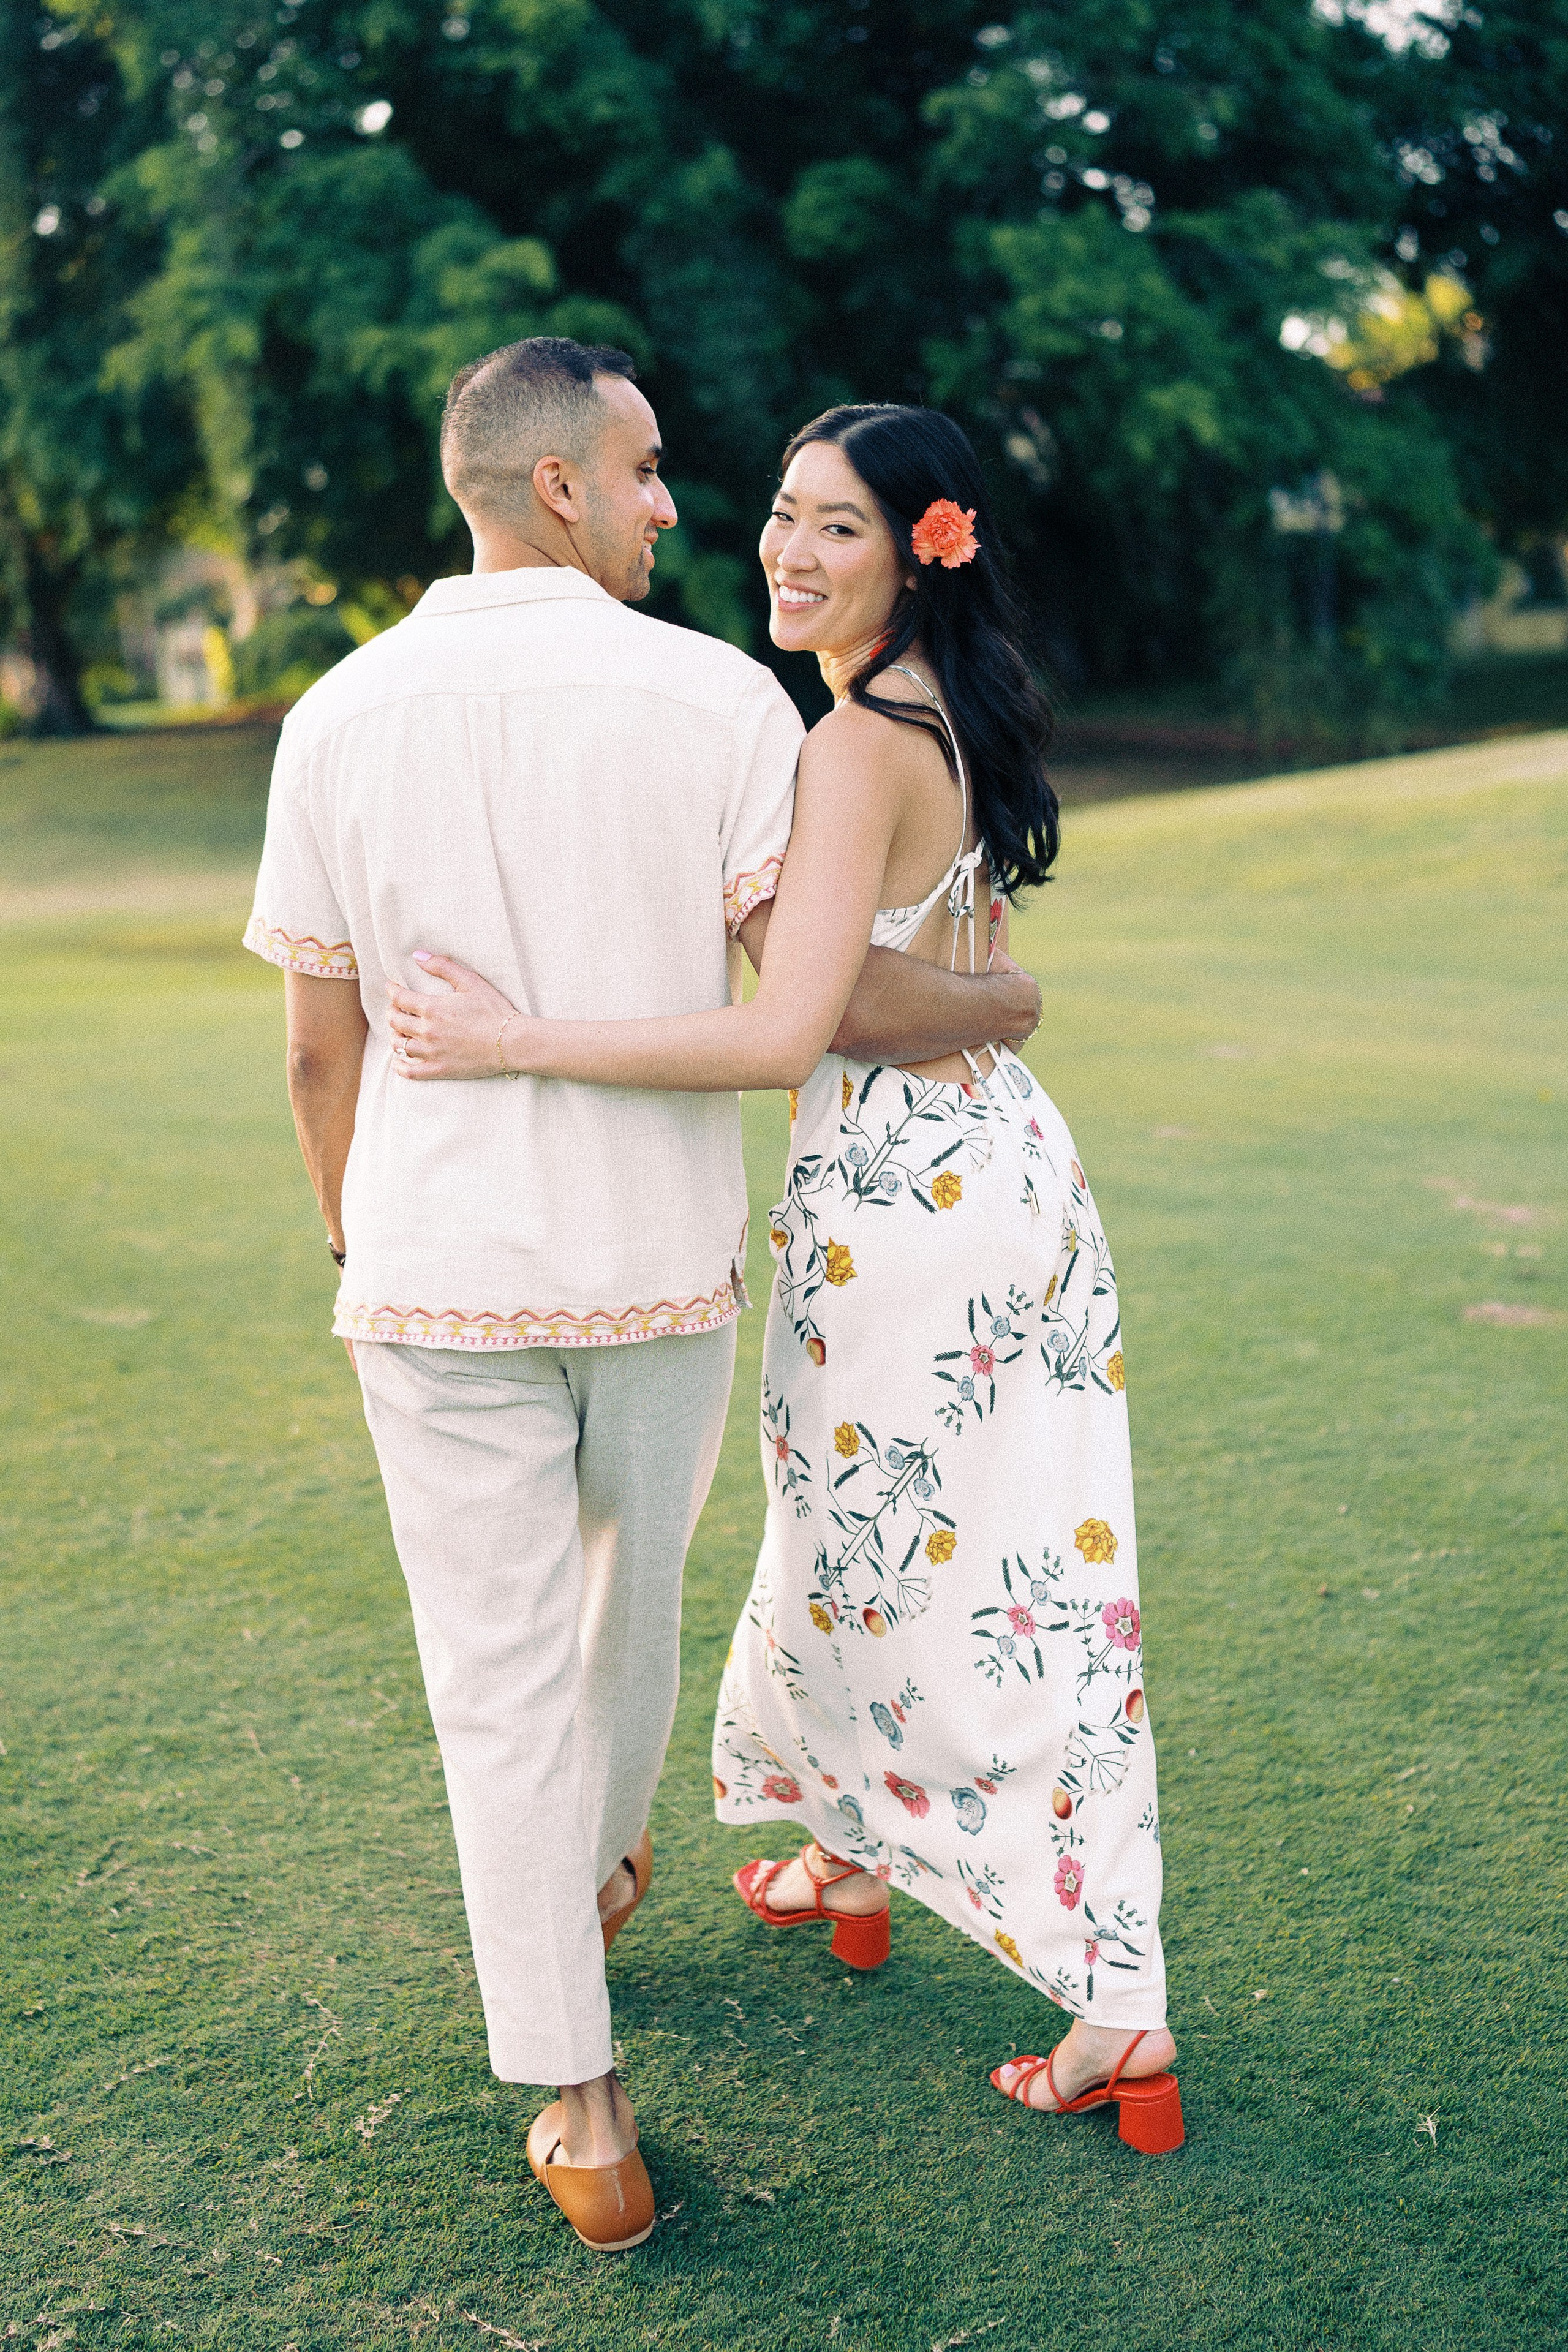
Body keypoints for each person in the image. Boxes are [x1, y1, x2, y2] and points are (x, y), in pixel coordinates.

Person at [244, 344, 1042, 2253]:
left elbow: (313, 1050)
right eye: (650, 470)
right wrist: (1006, 1004)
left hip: (438, 1276)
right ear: (553, 494)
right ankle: (593, 1873)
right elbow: (819, 995)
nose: (681, 504)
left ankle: (582, 2100)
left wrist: (358, 1227)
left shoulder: (337, 714)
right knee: (628, 1612)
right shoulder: (716, 704)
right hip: (658, 1269)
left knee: (493, 1676)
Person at [391, 400, 1182, 2156]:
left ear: (922, 549)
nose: (784, 549)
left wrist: (517, 1036)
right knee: (858, 1539)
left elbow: (780, 1032)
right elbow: (942, 983)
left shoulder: (847, 748)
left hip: (906, 1206)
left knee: (988, 1584)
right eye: (779, 513)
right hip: (995, 1168)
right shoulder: (937, 709)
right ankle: (845, 1857)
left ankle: (1119, 2002)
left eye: (837, 526)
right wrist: (987, 1004)